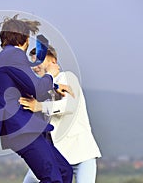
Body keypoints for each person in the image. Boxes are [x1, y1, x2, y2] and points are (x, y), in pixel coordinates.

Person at [0, 14, 73, 183]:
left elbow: (25, 84)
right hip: (22, 129)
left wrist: (54, 87)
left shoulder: (7, 56)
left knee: (64, 172)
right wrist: (51, 74)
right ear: (25, 38)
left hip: (27, 128)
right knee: (53, 178)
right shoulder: (14, 55)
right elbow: (38, 90)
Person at [20, 46, 101, 183]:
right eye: (32, 63)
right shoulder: (39, 87)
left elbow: (69, 105)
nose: (34, 67)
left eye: (38, 61)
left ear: (53, 62)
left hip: (81, 153)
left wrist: (40, 106)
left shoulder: (67, 77)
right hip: (53, 155)